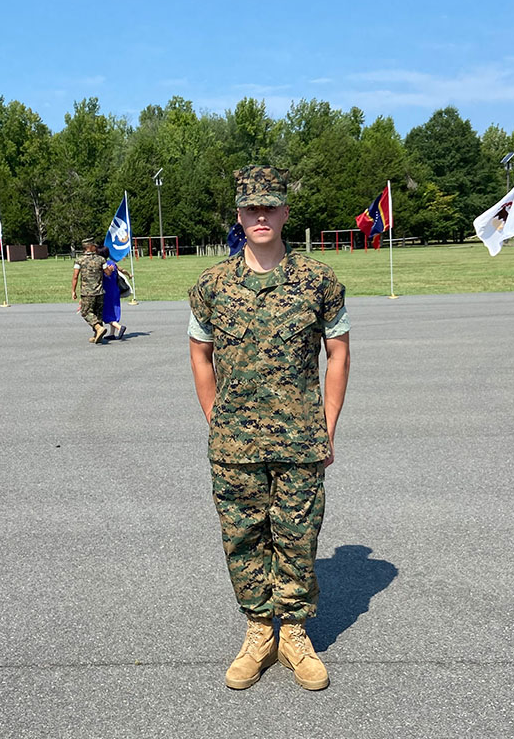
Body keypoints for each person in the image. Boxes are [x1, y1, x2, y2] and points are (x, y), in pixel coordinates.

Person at [187, 164, 351, 692]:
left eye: (270, 206)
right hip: (234, 441)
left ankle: (295, 634)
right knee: (242, 535)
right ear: (239, 214)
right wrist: (218, 419)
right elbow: (200, 353)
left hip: (301, 438)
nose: (261, 215)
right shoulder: (211, 286)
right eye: (252, 207)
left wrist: (326, 427)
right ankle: (260, 628)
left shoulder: (318, 281)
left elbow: (339, 353)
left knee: (299, 535)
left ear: (284, 211)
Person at [71, 238, 107, 343]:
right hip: (99, 291)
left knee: (85, 312)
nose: (96, 247)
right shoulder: (101, 259)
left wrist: (73, 291)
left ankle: (98, 328)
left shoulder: (79, 260)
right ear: (90, 247)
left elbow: (75, 276)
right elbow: (107, 273)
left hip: (87, 292)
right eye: (94, 245)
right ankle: (97, 335)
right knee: (98, 313)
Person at [98, 247, 128, 340]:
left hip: (106, 291)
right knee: (114, 310)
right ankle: (112, 333)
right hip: (115, 290)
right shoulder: (112, 263)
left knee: (106, 312)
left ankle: (119, 327)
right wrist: (129, 275)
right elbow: (122, 270)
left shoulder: (102, 265)